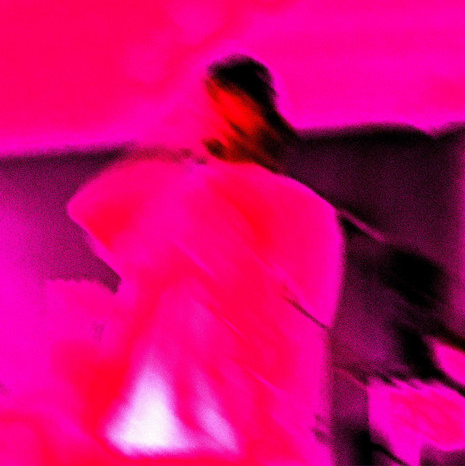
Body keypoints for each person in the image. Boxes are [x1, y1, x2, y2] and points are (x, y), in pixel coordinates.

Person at [67, 55, 344, 465]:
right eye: (211, 105)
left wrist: (286, 429)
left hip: (236, 426)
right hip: (173, 427)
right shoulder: (181, 196)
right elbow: (96, 213)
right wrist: (175, 141)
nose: (219, 117)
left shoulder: (303, 209)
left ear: (264, 119)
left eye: (231, 105)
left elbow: (307, 325)